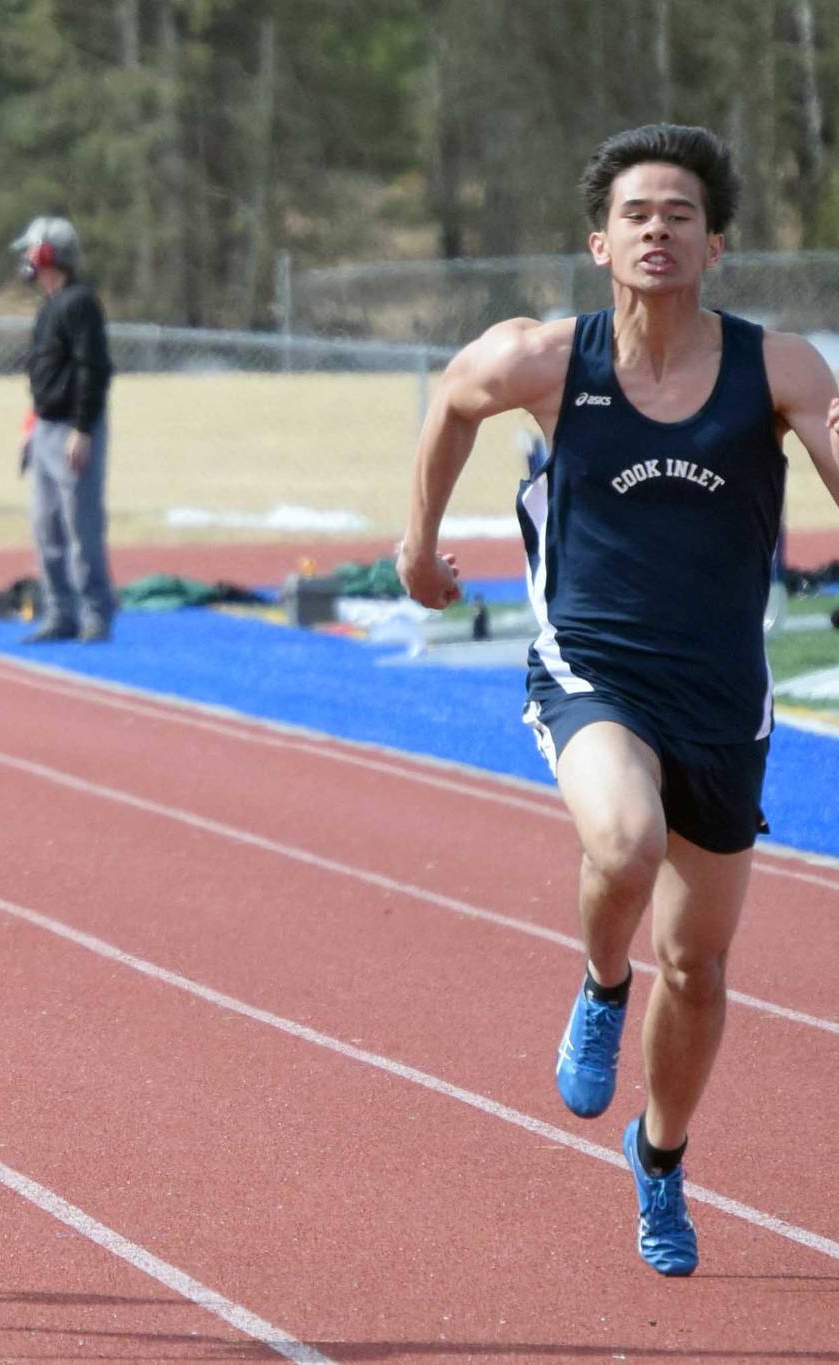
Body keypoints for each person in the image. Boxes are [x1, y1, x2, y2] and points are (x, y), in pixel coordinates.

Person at [396, 123, 839, 1276]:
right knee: (623, 839)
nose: (657, 230)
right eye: (636, 214)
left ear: (715, 243)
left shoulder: (779, 370)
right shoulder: (547, 359)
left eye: (679, 215)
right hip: (591, 671)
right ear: (600, 242)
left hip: (723, 705)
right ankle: (598, 984)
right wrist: (416, 549)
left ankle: (659, 1159)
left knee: (695, 969)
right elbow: (451, 400)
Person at [13, 214, 115, 643]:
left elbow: (93, 368)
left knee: (80, 526)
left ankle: (94, 611)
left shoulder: (79, 302)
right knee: (47, 525)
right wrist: (30, 426)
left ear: (46, 255)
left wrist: (83, 428)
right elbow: (45, 375)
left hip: (73, 428)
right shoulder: (50, 304)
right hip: (47, 427)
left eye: (32, 252)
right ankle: (60, 612)